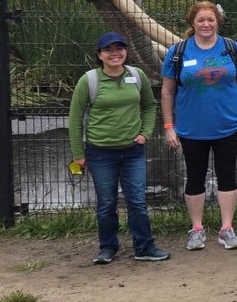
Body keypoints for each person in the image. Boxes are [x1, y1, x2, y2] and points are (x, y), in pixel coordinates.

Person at [69, 31, 169, 264]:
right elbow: (75, 119)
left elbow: (149, 106)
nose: (115, 53)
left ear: (126, 51)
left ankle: (144, 247)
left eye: (119, 48)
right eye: (108, 50)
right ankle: (107, 248)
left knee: (137, 201)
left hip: (133, 151)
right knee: (106, 203)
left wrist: (145, 133)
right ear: (99, 55)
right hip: (100, 152)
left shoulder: (137, 75)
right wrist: (78, 154)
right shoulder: (89, 81)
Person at [161, 2, 237, 252]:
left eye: (210, 20)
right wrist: (169, 126)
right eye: (201, 20)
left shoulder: (232, 49)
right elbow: (167, 91)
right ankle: (197, 229)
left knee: (227, 174)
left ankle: (226, 228)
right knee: (195, 176)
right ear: (192, 23)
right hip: (191, 128)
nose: (206, 24)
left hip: (229, 125)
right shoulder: (178, 51)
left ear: (217, 22)